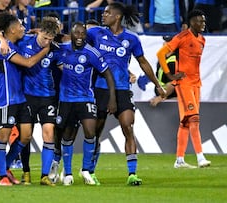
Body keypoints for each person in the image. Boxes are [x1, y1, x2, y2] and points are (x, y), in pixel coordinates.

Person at [86, 2, 166, 186]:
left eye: (107, 12)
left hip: (122, 89)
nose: (103, 15)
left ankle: (132, 174)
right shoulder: (95, 33)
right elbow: (76, 40)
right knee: (96, 132)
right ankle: (90, 171)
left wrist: (158, 85)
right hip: (100, 89)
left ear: (117, 16)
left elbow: (143, 62)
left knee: (127, 127)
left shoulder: (131, 38)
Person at [0, 12, 50, 186]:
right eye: (20, 26)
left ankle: (5, 166)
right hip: (6, 98)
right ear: (11, 30)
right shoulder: (4, 47)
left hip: (21, 98)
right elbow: (29, 63)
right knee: (3, 137)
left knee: (25, 136)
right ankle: (3, 176)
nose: (23, 28)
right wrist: (46, 50)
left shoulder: (15, 43)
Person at [56, 22, 116, 186]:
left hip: (86, 99)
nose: (81, 37)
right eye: (77, 33)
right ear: (71, 34)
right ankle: (67, 173)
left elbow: (108, 75)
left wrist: (112, 98)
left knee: (91, 133)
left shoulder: (92, 53)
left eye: (83, 34)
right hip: (66, 100)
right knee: (67, 136)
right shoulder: (62, 50)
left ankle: (86, 170)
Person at [156, 9, 211, 168]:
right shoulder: (182, 37)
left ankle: (179, 160)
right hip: (184, 83)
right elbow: (161, 54)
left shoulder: (202, 40)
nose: (203, 24)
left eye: (204, 21)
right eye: (200, 21)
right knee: (194, 118)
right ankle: (200, 157)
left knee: (186, 122)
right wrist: (170, 76)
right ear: (192, 22)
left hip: (196, 84)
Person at [149, 35, 178, 107]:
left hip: (172, 98)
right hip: (165, 96)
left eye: (168, 42)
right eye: (165, 42)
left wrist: (161, 97)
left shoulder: (174, 62)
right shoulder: (163, 58)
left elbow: (172, 83)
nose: (164, 44)